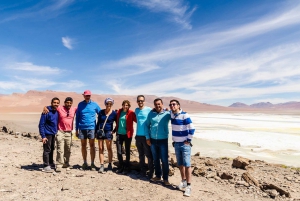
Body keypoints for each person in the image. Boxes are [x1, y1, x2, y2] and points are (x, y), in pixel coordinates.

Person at [43, 97, 77, 172]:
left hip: (69, 132)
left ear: (72, 103)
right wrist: (45, 107)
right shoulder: (59, 108)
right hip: (60, 131)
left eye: (70, 103)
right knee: (60, 148)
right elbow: (52, 106)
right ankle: (58, 164)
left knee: (68, 149)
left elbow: (82, 110)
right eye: (67, 102)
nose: (69, 104)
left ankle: (66, 163)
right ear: (64, 102)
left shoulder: (74, 109)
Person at [169, 99, 195, 197]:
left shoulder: (185, 115)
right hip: (176, 144)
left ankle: (189, 186)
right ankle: (183, 181)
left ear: (178, 106)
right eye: (171, 105)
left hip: (185, 145)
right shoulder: (172, 114)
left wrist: (188, 140)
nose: (172, 106)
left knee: (187, 165)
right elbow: (164, 109)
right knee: (180, 164)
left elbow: (192, 128)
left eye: (174, 104)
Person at [145, 98, 171, 185]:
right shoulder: (151, 114)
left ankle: (166, 178)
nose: (157, 106)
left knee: (164, 160)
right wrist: (148, 138)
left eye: (159, 104)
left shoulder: (167, 114)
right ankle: (158, 176)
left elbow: (176, 116)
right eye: (156, 104)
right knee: (155, 159)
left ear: (162, 104)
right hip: (153, 140)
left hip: (163, 140)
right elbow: (147, 125)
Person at [76, 90, 101, 170]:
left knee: (92, 145)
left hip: (92, 128)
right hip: (82, 128)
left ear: (90, 96)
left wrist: (99, 128)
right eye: (86, 95)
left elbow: (101, 115)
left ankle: (93, 163)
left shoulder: (94, 104)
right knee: (83, 145)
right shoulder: (80, 104)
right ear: (84, 95)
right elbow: (77, 118)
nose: (87, 97)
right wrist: (76, 129)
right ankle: (84, 162)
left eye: (89, 95)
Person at [114, 100, 136, 174]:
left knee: (127, 151)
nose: (125, 106)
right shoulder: (119, 112)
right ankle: (121, 166)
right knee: (119, 152)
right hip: (119, 134)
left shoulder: (131, 113)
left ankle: (127, 167)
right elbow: (117, 122)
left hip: (128, 135)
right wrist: (114, 131)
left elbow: (138, 120)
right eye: (124, 105)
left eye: (127, 105)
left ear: (129, 106)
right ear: (122, 105)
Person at [95, 98, 117, 173]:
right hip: (100, 132)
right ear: (105, 104)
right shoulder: (101, 112)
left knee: (109, 148)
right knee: (101, 148)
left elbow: (117, 124)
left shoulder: (114, 113)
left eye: (110, 104)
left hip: (108, 132)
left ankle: (110, 164)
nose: (109, 105)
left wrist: (113, 131)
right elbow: (98, 122)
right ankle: (101, 165)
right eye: (107, 104)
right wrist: (96, 131)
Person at [38, 97, 60, 173]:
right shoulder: (46, 112)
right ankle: (46, 165)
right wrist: (43, 136)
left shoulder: (56, 112)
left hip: (53, 134)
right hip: (47, 134)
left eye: (57, 103)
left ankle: (50, 163)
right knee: (47, 150)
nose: (56, 104)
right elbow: (41, 124)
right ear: (51, 103)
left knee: (52, 149)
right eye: (54, 102)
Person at [134, 95, 154, 178]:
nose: (140, 102)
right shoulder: (136, 110)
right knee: (141, 154)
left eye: (141, 100)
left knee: (149, 155)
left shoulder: (149, 110)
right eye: (139, 101)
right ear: (137, 102)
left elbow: (156, 114)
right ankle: (142, 171)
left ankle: (151, 172)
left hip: (146, 136)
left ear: (144, 101)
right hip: (138, 135)